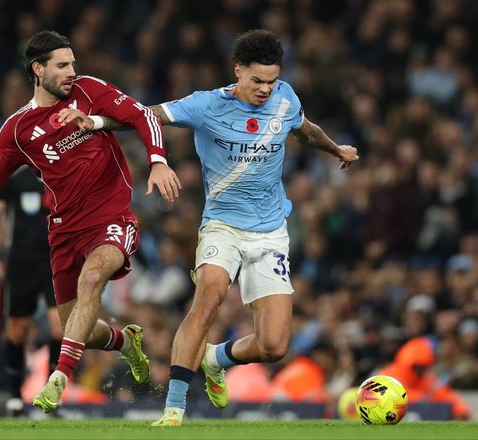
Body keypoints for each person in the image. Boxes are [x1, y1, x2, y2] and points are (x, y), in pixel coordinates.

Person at [86, 29, 359, 426]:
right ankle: (174, 408)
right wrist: (95, 121)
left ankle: (216, 358)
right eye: (258, 80)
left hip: (270, 232)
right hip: (222, 226)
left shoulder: (286, 97)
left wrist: (335, 148)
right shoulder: (205, 105)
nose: (266, 89)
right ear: (238, 71)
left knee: (274, 345)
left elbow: (305, 130)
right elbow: (146, 115)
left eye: (272, 80)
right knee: (209, 296)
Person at [0, 30, 181, 414]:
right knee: (78, 327)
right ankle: (127, 342)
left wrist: (157, 160)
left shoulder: (89, 90)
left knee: (93, 278)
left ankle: (59, 377)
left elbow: (142, 115)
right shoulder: (17, 129)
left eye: (72, 63)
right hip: (64, 231)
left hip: (112, 218)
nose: (72, 71)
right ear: (38, 70)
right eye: (62, 65)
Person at [0, 166, 62, 416]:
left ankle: (52, 396)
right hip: (21, 264)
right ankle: (14, 396)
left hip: (57, 261)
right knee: (17, 330)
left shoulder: (64, 171)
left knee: (60, 327)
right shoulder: (16, 176)